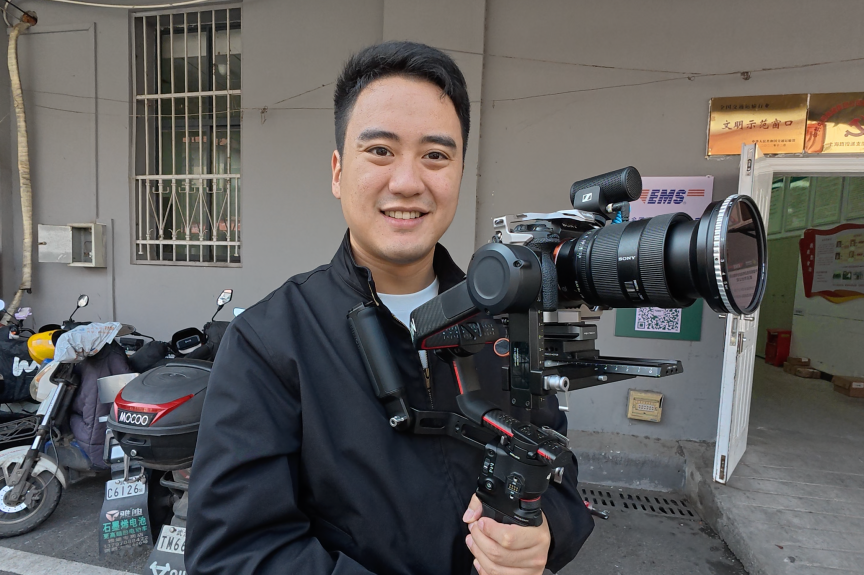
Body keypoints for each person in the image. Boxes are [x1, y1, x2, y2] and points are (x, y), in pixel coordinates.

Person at [185, 41, 593, 575]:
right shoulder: (271, 342)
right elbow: (236, 552)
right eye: (380, 151)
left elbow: (556, 466)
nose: (407, 182)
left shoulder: (504, 321)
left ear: (459, 173)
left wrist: (547, 532)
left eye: (435, 156)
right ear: (338, 171)